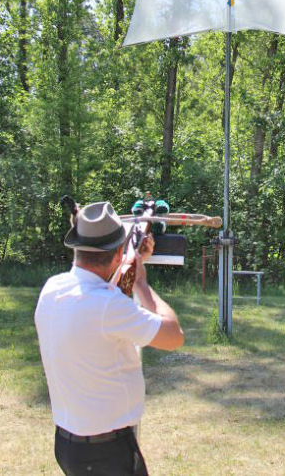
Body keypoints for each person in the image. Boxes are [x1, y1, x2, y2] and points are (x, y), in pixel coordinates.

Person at [35, 201, 184, 476]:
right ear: (117, 254)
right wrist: (141, 282)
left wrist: (131, 263)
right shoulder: (108, 306)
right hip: (107, 452)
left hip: (69, 445)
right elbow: (173, 336)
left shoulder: (52, 289)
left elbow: (99, 298)